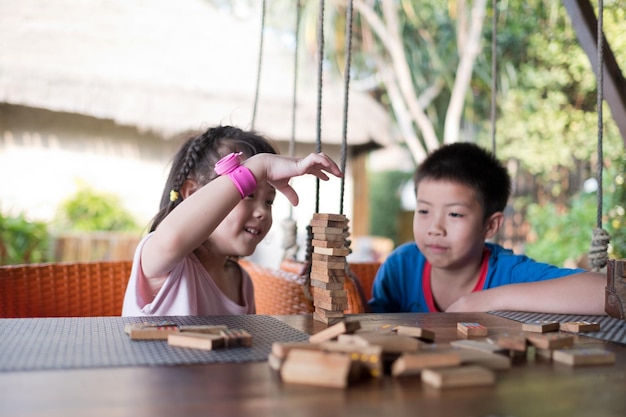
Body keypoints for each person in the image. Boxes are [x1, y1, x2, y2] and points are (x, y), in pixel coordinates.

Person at [122, 125, 343, 316]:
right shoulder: (164, 265)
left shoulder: (241, 282)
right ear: (191, 193)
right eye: (247, 195)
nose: (262, 213)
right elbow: (172, 238)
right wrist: (261, 166)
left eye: (269, 201)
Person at [368, 142, 606, 315]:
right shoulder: (401, 267)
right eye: (423, 211)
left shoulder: (507, 274)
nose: (435, 228)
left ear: (490, 225)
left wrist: (488, 300)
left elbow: (605, 292)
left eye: (454, 214)